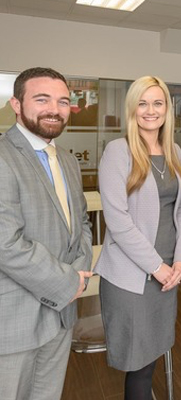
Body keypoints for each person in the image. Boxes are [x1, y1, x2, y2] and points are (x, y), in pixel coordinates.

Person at [0, 67, 93, 399]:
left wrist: (79, 274)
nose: (55, 109)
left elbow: (81, 224)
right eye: (42, 99)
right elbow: (5, 244)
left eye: (63, 101)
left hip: (61, 314)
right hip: (15, 319)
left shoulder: (67, 160)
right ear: (16, 104)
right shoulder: (3, 157)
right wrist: (69, 282)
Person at [95, 76, 181, 400]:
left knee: (152, 355)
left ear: (167, 109)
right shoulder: (118, 151)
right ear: (132, 109)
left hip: (167, 273)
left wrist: (180, 260)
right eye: (143, 103)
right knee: (138, 362)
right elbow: (117, 221)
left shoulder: (174, 150)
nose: (151, 110)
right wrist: (156, 267)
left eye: (158, 103)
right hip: (132, 276)